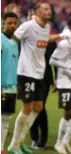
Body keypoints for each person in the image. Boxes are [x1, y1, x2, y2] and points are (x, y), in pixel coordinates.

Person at [7, 2, 52, 154]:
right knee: (27, 108)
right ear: (37, 11)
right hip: (26, 72)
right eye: (45, 9)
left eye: (50, 9)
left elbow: (44, 41)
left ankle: (20, 143)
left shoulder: (47, 27)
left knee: (38, 107)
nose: (49, 11)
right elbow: (12, 40)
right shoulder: (27, 26)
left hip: (39, 74)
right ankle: (14, 145)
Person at [50, 17, 71, 154]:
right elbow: (53, 60)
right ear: (69, 26)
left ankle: (65, 143)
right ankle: (59, 143)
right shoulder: (64, 43)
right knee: (68, 112)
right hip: (65, 82)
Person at [1, 12, 19, 154]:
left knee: (6, 119)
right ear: (3, 24)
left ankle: (1, 148)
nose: (12, 26)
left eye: (14, 23)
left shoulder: (15, 42)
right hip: (2, 87)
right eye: (9, 23)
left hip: (12, 87)